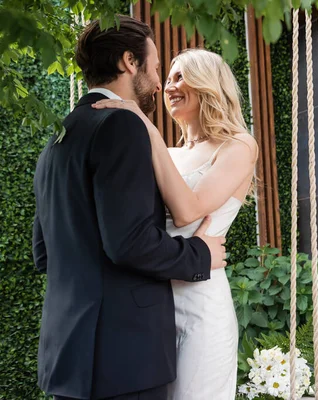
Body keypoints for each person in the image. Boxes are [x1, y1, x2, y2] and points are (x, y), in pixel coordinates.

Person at [32, 16, 227, 400]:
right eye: (156, 68)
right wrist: (199, 253)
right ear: (128, 62)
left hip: (67, 356)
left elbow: (43, 254)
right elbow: (129, 243)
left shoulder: (55, 142)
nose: (159, 82)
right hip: (124, 358)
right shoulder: (121, 125)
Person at [92, 48, 258, 400]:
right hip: (153, 306)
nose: (169, 86)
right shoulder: (168, 153)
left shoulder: (239, 146)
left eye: (180, 76)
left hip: (201, 306)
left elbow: (188, 211)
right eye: (167, 79)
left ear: (208, 83)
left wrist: (145, 128)